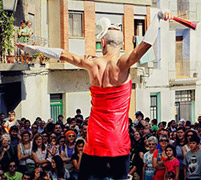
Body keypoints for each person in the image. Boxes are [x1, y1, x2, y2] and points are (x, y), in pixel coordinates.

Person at [17, 10, 173, 179]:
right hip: (118, 141)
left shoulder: (92, 63)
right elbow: (145, 44)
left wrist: (32, 48)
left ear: (103, 42)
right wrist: (157, 18)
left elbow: (63, 54)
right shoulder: (122, 63)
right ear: (120, 44)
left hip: (95, 141)